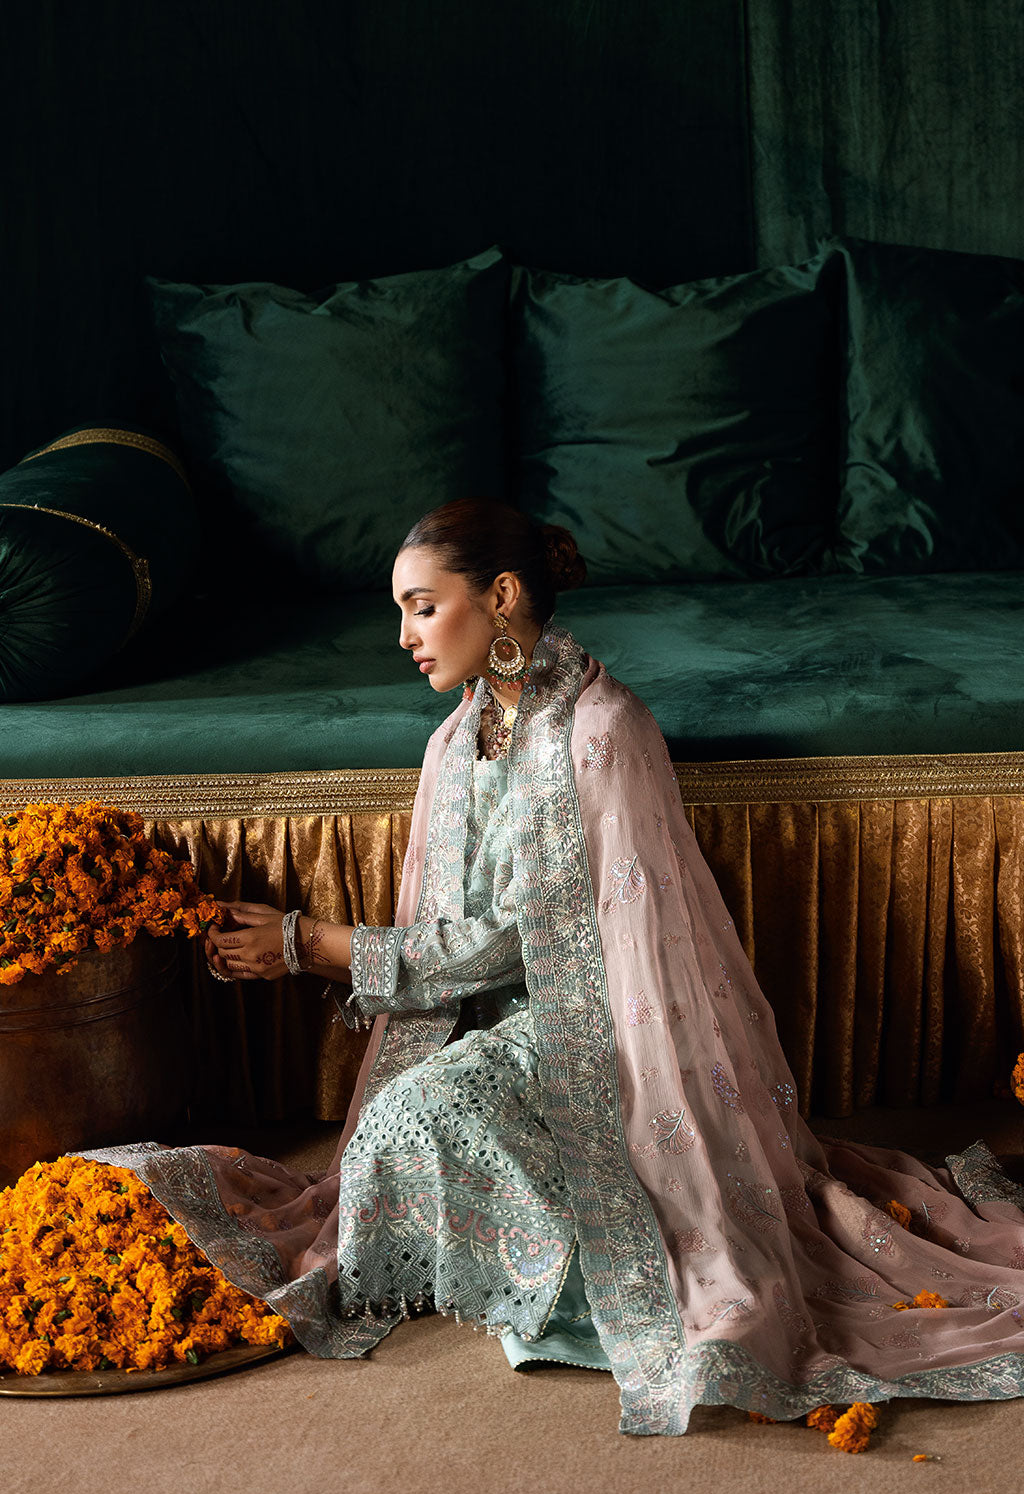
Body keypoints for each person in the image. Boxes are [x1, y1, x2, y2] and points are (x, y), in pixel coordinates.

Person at [83, 499, 1024, 1437]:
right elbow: (447, 928)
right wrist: (310, 946)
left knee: (424, 1115)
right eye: (400, 611)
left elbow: (519, 936)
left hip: (598, 1018)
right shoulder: (458, 736)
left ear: (500, 596)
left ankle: (591, 1268)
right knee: (385, 1140)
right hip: (488, 1019)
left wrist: (310, 944)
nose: (404, 636)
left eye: (423, 607)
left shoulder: (600, 729)